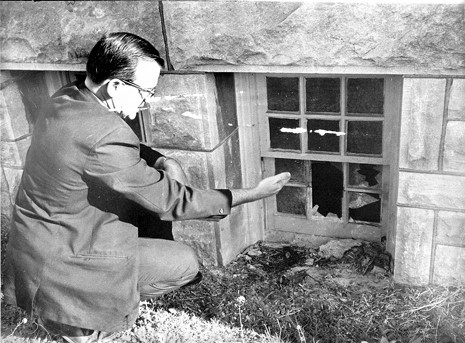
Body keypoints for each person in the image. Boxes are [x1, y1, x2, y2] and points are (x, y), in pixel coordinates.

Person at [2, 32, 290, 343]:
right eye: (145, 92)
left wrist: (163, 159)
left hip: (42, 246)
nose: (147, 101)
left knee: (155, 196)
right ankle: (82, 322)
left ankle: (80, 306)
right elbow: (174, 202)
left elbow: (117, 150)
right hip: (64, 264)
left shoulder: (68, 96)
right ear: (115, 85)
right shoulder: (103, 133)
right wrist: (256, 193)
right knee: (184, 264)